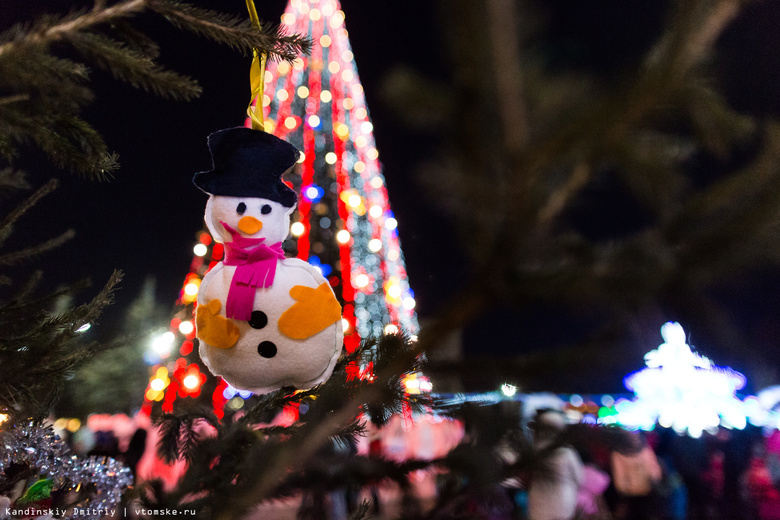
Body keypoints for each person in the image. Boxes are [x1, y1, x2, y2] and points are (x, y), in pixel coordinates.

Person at [526, 409, 584, 520]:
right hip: (563, 503)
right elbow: (580, 479)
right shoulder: (567, 452)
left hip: (538, 503)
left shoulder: (532, 452)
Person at [610, 431, 662, 520]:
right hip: (630, 497)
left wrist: (654, 479)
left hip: (647, 493)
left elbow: (653, 467)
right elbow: (619, 475)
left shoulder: (645, 449)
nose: (634, 438)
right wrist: (623, 490)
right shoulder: (618, 453)